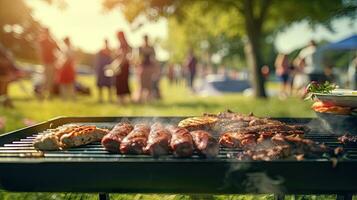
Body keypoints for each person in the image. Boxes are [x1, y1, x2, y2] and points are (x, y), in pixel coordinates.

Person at [37, 28, 59, 99]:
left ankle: (49, 95)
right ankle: (41, 95)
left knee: (51, 80)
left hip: (52, 63)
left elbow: (57, 49)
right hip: (46, 63)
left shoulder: (51, 41)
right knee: (46, 80)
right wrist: (42, 61)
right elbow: (40, 51)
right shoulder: (42, 41)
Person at [115, 31, 132, 104]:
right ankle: (122, 99)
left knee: (122, 82)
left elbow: (124, 56)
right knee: (122, 82)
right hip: (123, 65)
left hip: (123, 66)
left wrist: (119, 65)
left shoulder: (123, 44)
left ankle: (122, 100)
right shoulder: (122, 44)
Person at [138, 35, 156, 102]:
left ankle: (149, 98)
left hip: (149, 67)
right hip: (142, 67)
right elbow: (139, 59)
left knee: (149, 84)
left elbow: (154, 58)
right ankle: (141, 98)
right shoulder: (140, 48)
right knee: (142, 83)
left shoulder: (151, 48)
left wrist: (154, 68)